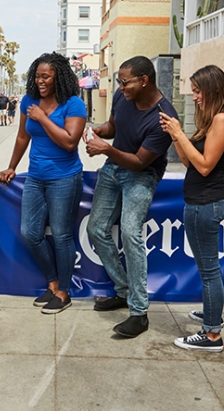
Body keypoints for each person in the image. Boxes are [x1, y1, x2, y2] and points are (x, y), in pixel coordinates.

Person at [84, 55, 177, 338]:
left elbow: (139, 162)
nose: (120, 87)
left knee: (130, 233)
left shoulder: (163, 117)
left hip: (141, 174)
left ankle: (139, 313)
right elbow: (114, 125)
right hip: (113, 169)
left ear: (144, 80)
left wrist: (105, 150)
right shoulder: (122, 96)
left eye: (125, 82)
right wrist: (100, 131)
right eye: (118, 82)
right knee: (96, 229)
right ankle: (123, 291)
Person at [0, 53, 86, 315]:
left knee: (61, 235)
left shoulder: (74, 104)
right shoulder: (28, 101)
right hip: (35, 177)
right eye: (37, 76)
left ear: (59, 76)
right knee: (30, 233)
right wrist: (12, 166)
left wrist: (43, 118)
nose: (40, 81)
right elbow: (23, 136)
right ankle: (52, 282)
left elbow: (70, 142)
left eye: (46, 76)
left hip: (65, 178)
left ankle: (64, 292)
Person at [159, 65, 224, 352]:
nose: (194, 97)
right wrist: (175, 136)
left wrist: (180, 133)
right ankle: (211, 315)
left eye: (197, 91)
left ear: (213, 90)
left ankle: (211, 334)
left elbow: (205, 167)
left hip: (207, 203)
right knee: (207, 268)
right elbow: (189, 161)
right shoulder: (213, 120)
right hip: (199, 201)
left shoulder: (223, 119)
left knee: (209, 270)